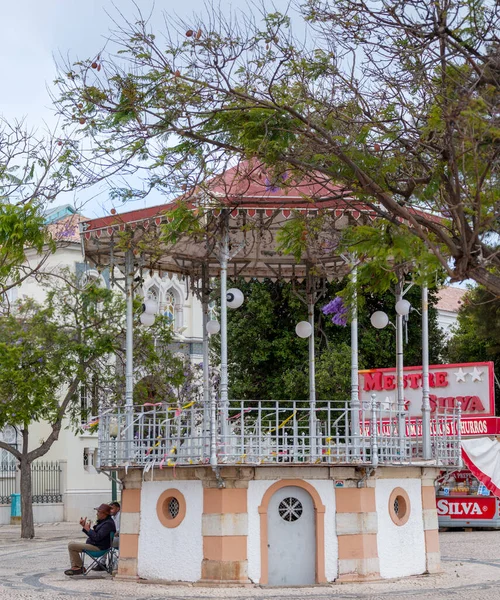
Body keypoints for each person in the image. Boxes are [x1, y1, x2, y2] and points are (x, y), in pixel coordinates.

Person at [65, 503, 116, 576]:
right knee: (72, 543)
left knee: (72, 545)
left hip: (98, 548)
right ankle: (77, 567)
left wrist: (88, 529)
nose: (97, 514)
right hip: (95, 545)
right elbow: (95, 535)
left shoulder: (108, 524)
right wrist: (86, 528)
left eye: (98, 512)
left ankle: (78, 567)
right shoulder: (104, 522)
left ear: (104, 513)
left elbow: (97, 537)